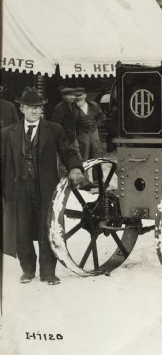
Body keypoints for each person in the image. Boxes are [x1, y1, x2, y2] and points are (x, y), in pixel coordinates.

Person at [2, 87, 84, 285]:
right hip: (18, 188)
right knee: (22, 231)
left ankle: (48, 273)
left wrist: (74, 168)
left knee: (46, 229)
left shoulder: (54, 129)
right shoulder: (7, 133)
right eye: (31, 108)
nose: (35, 111)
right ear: (22, 109)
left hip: (45, 188)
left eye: (38, 108)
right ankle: (28, 270)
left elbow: (68, 151)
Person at [73, 87, 105, 160]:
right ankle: (85, 169)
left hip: (94, 131)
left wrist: (96, 126)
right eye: (76, 96)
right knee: (84, 152)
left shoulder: (94, 105)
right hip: (82, 133)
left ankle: (98, 169)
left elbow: (102, 116)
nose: (78, 97)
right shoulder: (73, 108)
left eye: (80, 95)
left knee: (97, 151)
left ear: (85, 95)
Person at [51, 86, 78, 150]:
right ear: (64, 96)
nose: (73, 97)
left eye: (74, 95)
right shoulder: (60, 107)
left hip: (72, 137)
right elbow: (56, 124)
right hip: (64, 138)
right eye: (70, 95)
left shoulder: (73, 105)